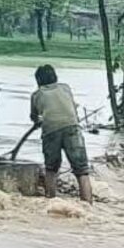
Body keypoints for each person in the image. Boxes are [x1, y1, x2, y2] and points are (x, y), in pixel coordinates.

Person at [29, 65, 92, 202]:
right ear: (55, 77)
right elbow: (73, 107)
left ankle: (51, 201)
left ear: (38, 80)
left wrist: (37, 121)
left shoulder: (36, 95)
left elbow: (34, 117)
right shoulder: (65, 88)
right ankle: (88, 204)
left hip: (51, 132)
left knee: (51, 170)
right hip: (72, 128)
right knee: (82, 171)